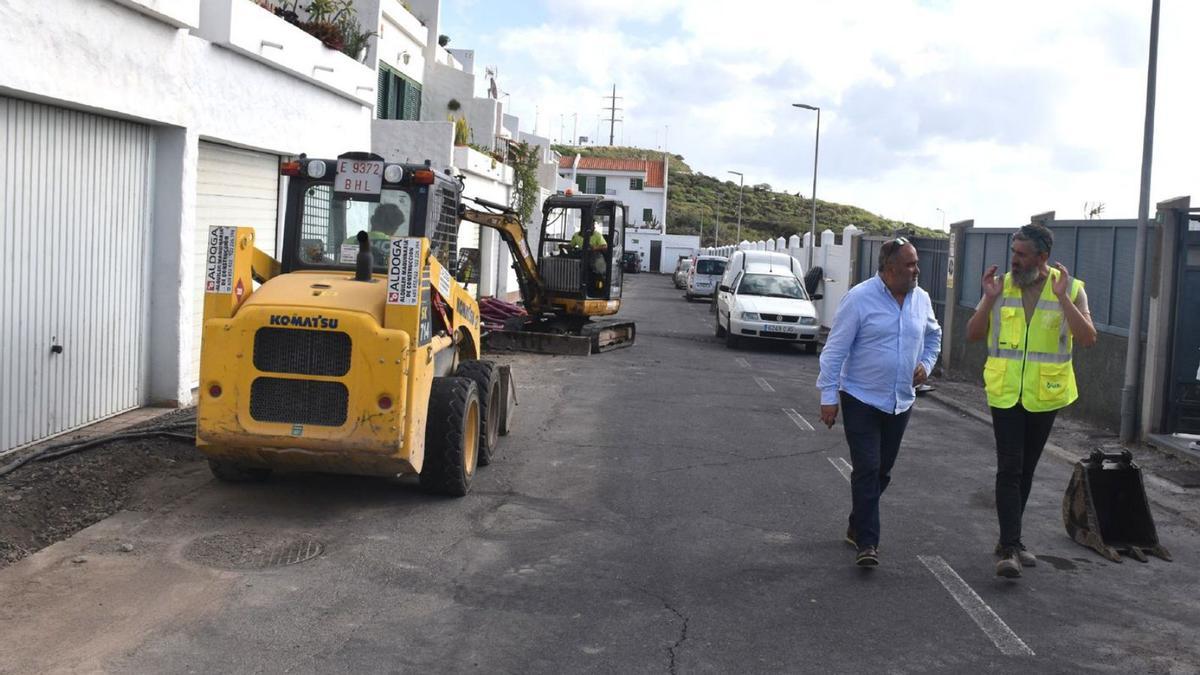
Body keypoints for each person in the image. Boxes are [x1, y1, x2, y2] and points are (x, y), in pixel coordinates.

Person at [965, 223, 1096, 579]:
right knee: (1009, 467)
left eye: (1022, 255)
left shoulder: (1071, 288)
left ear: (1043, 257)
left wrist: (1064, 298)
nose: (1014, 260)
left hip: (1045, 395)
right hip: (1005, 392)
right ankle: (1009, 548)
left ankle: (1012, 540)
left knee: (1025, 469)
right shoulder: (1001, 286)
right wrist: (988, 297)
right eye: (1013, 253)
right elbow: (973, 333)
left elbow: (1087, 338)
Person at [816, 237, 942, 567]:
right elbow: (834, 351)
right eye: (910, 264)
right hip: (860, 396)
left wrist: (926, 365)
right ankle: (867, 543)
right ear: (889, 270)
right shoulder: (859, 299)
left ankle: (858, 521)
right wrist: (828, 397)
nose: (917, 270)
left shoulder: (922, 299)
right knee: (868, 468)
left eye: (916, 263)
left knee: (882, 470)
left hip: (901, 400)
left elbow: (933, 336)